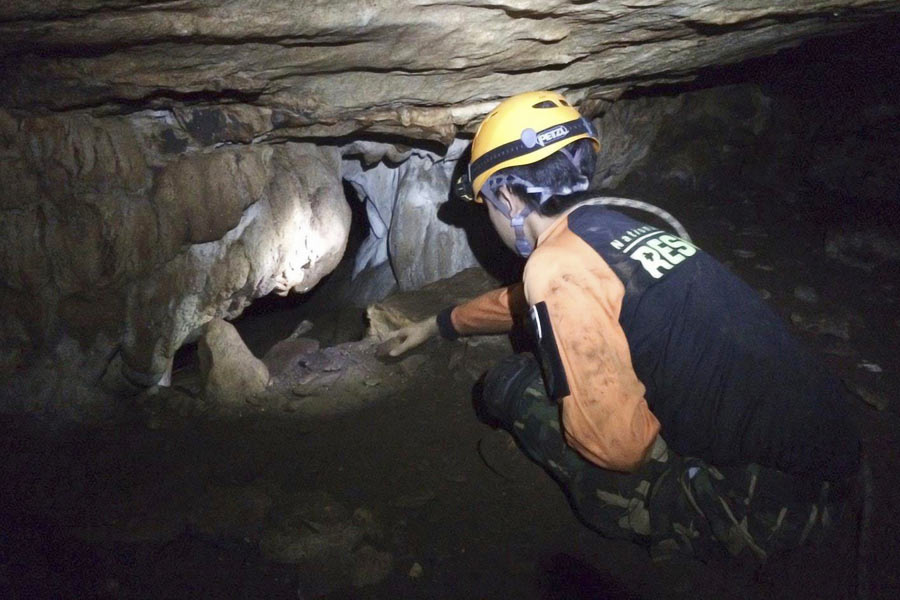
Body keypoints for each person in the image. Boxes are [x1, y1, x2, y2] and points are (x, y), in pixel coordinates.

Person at [386, 90, 860, 561]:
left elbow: (618, 449)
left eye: (486, 201)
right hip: (835, 443)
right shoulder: (611, 224)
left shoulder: (554, 266)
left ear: (507, 196)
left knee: (511, 385)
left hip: (781, 498)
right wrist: (441, 323)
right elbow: (538, 297)